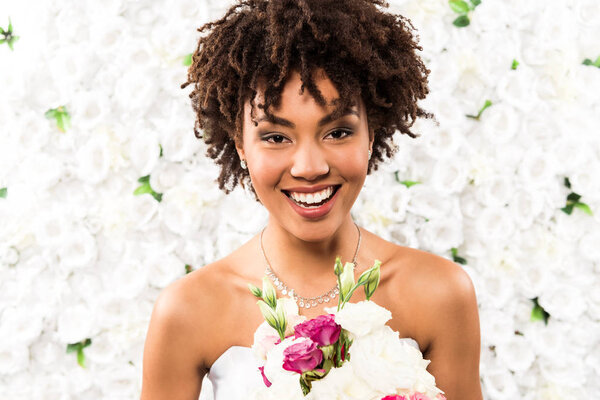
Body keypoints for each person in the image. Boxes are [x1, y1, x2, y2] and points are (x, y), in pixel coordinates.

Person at [140, 0, 483, 399]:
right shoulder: (187, 310)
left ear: (371, 135)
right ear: (241, 146)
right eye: (275, 137)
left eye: (337, 132)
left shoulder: (440, 293)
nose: (309, 167)